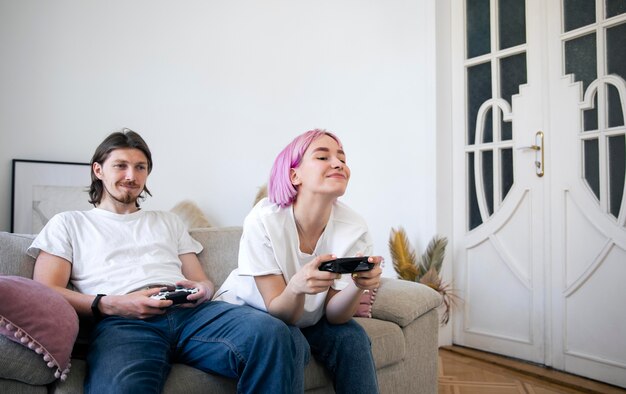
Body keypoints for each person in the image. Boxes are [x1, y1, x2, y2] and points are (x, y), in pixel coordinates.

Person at [28, 129, 296, 394]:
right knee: (120, 387)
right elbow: (46, 291)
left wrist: (204, 289)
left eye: (140, 167)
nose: (131, 176)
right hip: (124, 321)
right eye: (120, 166)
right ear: (98, 170)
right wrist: (112, 303)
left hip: (191, 314)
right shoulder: (69, 223)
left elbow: (201, 280)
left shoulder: (168, 220)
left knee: (271, 333)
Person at [215, 129, 382, 393]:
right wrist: (296, 286)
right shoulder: (264, 219)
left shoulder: (354, 227)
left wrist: (358, 285)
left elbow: (335, 316)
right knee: (288, 337)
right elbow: (279, 311)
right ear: (295, 175)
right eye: (322, 157)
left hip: (301, 319)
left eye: (342, 157)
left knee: (352, 336)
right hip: (249, 313)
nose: (338, 163)